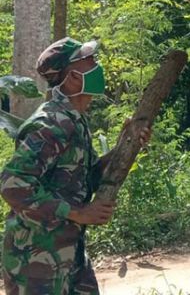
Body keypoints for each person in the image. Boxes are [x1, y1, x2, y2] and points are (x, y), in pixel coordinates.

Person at [0, 37, 149, 294]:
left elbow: (83, 178)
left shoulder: (74, 120)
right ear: (72, 78)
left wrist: (126, 145)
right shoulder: (52, 124)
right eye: (90, 62)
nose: (97, 67)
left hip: (70, 254)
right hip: (36, 262)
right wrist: (78, 213)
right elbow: (13, 184)